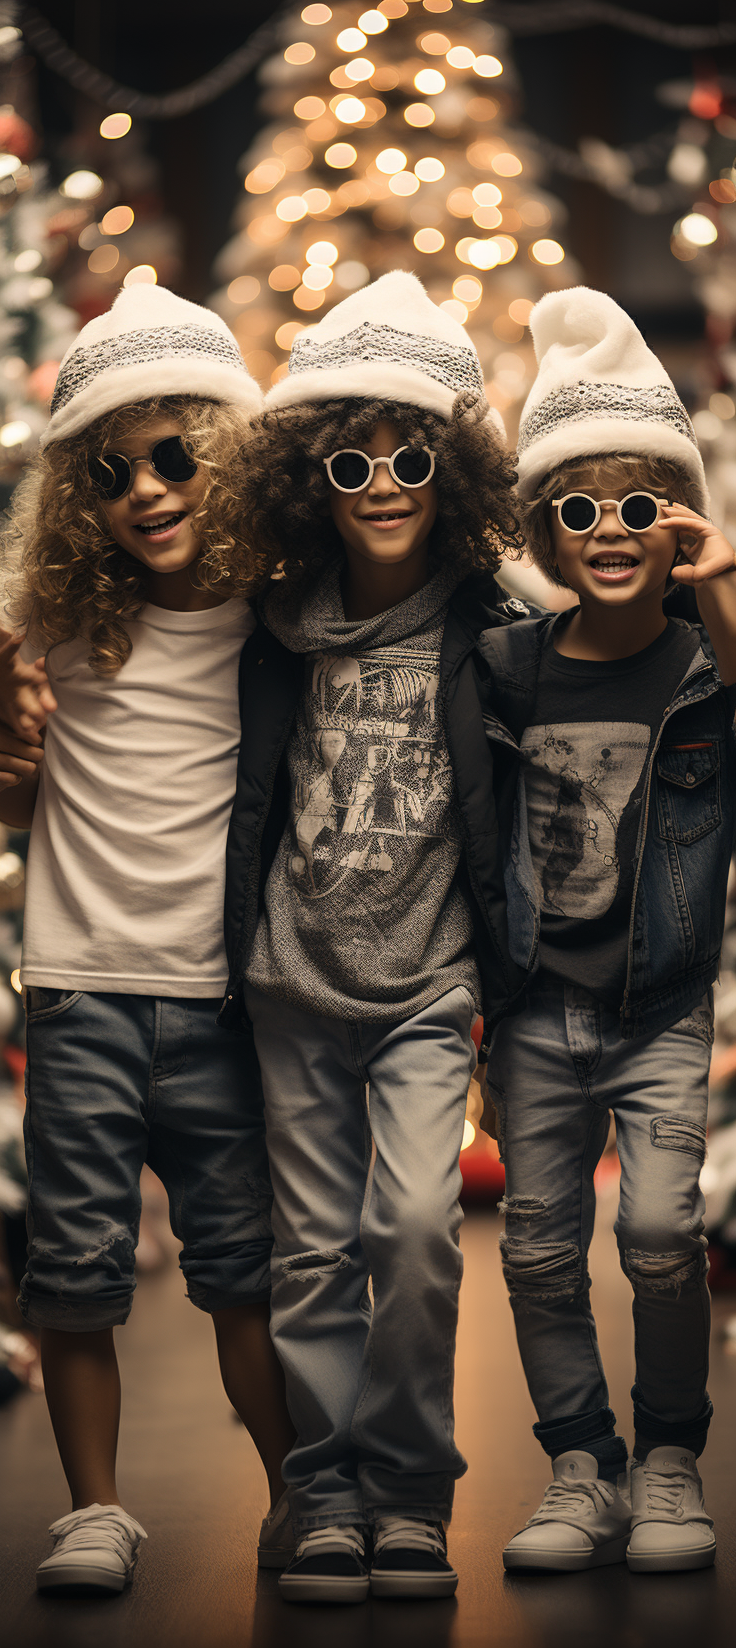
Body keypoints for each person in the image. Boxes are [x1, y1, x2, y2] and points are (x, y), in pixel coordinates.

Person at [214, 269, 533, 1604]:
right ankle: (326, 1487)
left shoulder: (491, 614)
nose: (386, 480)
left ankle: (409, 1491)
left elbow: (615, 639)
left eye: (415, 455)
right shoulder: (276, 624)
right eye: (353, 457)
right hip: (293, 979)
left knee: (407, 1229)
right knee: (310, 1254)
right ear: (313, 477)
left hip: (425, 985)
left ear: (451, 468)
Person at [0, 284, 296, 1594]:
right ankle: (95, 1510)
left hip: (218, 993)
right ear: (80, 497)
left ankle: (300, 1499)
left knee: (242, 1271)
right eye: (114, 472)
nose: (149, 490)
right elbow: (16, 774)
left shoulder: (266, 614)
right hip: (78, 992)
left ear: (225, 463)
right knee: (73, 1271)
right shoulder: (53, 627)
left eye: (178, 456)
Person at [479, 286, 736, 1575]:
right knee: (535, 1247)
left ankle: (674, 1457)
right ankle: (582, 1463)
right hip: (534, 1007)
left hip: (660, 1006)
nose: (611, 533)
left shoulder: (703, 665)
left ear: (673, 521)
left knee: (655, 1236)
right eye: (578, 510)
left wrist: (723, 572)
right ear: (545, 527)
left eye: (639, 507)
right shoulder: (513, 669)